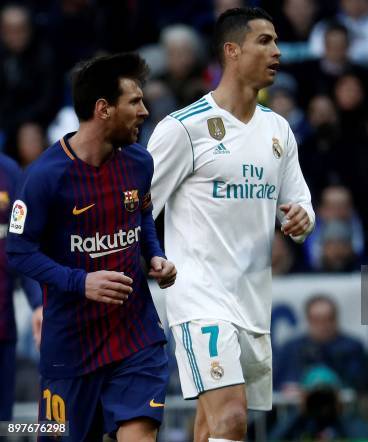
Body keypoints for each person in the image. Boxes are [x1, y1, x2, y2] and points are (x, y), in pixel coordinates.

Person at [147, 7, 315, 442]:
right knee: (233, 418)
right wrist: (148, 261)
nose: (277, 51)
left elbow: (300, 205)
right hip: (198, 295)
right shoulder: (184, 128)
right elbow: (140, 209)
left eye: (277, 41)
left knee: (211, 425)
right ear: (232, 51)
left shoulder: (279, 130)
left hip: (252, 299)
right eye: (265, 41)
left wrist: (301, 219)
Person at [7, 53, 177, 442]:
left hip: (136, 338)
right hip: (71, 351)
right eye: (134, 101)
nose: (145, 111)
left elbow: (142, 215)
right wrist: (80, 282)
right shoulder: (43, 178)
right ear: (103, 109)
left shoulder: (139, 163)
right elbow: (18, 250)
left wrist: (155, 254)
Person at [0, 151, 42, 420]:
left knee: (3, 425)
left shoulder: (9, 172)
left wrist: (39, 303)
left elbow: (22, 243)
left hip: (2, 332)